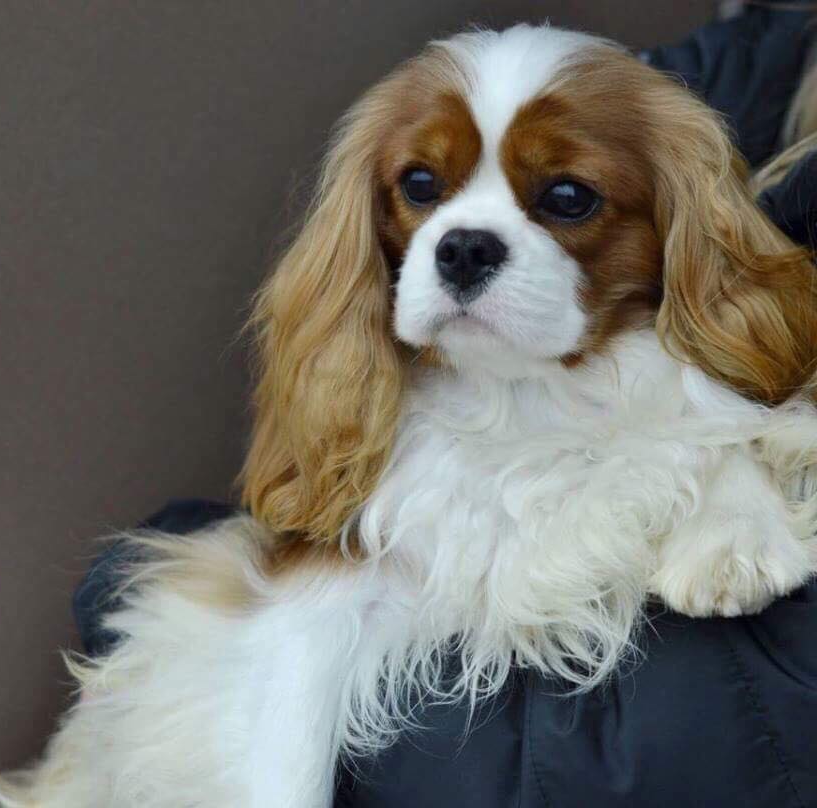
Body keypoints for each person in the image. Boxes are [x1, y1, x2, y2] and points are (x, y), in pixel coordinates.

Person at [73, 4, 817, 805]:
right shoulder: (753, 60)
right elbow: (307, 613)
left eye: (567, 197)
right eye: (422, 188)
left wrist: (734, 488)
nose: (464, 240)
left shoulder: (679, 164)